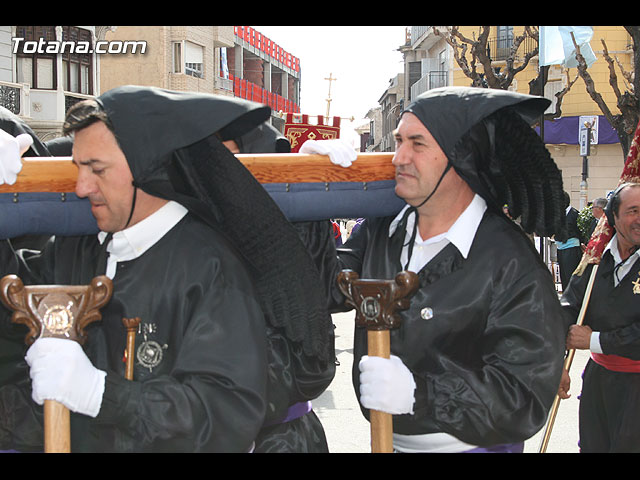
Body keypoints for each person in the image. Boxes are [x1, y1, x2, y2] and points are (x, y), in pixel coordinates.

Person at [0, 85, 333, 452]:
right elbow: (9, 311)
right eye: (78, 168)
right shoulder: (74, 250)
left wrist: (100, 394)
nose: (81, 187)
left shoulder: (211, 269)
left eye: (97, 169)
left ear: (146, 166)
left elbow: (224, 415)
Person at [308, 86, 569, 452]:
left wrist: (422, 392)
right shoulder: (384, 231)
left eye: (417, 144)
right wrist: (306, 199)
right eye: (399, 140)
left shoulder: (510, 260)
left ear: (460, 156)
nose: (398, 157)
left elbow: (524, 396)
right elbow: (321, 290)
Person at [560, 182, 640, 452]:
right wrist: (555, 360)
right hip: (598, 382)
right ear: (613, 217)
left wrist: (594, 340)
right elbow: (568, 306)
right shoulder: (596, 261)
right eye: (633, 211)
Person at [556, 191, 583, 291]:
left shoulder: (574, 214)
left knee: (570, 275)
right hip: (560, 248)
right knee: (562, 275)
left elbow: (580, 232)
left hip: (571, 248)